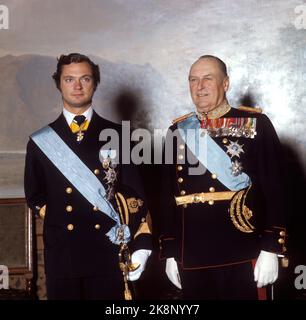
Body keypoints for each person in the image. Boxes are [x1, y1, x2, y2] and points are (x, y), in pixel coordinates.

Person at [24, 53, 152, 300]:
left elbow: (137, 196)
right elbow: (35, 195)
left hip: (108, 251)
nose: (77, 86)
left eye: (85, 79)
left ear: (95, 83)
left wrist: (143, 245)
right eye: (69, 79)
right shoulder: (40, 142)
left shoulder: (120, 135)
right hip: (64, 254)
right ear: (58, 84)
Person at [159, 55, 287, 299]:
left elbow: (276, 188)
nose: (199, 87)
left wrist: (272, 247)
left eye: (208, 79)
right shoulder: (177, 131)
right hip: (192, 255)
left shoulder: (255, 124)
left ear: (226, 83)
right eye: (193, 80)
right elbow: (167, 197)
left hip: (244, 250)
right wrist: (171, 252)